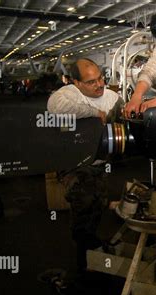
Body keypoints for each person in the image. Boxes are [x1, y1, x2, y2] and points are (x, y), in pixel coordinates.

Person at [47, 58, 124, 277]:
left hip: (100, 164)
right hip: (74, 165)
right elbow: (55, 108)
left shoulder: (112, 98)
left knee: (97, 205)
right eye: (91, 82)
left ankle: (92, 251)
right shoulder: (67, 95)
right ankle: (86, 259)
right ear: (76, 83)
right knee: (85, 200)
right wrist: (94, 113)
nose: (99, 85)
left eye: (100, 78)